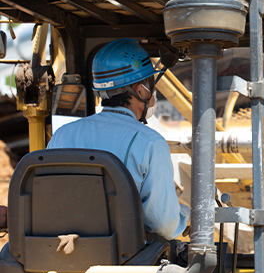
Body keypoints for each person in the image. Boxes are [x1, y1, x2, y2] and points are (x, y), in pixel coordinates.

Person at [48, 38, 189, 240]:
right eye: (151, 84)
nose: (154, 92)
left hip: (62, 256)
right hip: (123, 266)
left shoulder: (62, 135)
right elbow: (163, 226)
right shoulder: (149, 142)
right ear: (141, 89)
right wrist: (186, 217)